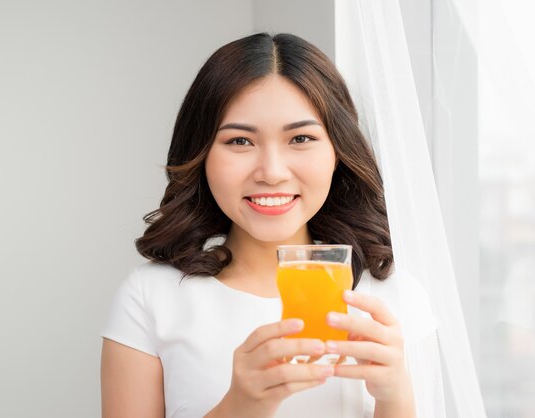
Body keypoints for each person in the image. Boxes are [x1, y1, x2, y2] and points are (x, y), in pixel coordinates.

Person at [100, 32, 440, 418]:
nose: (272, 173)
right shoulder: (150, 298)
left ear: (337, 153)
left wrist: (394, 400)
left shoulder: (395, 302)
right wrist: (239, 407)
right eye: (241, 142)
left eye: (300, 137)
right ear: (201, 155)